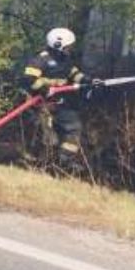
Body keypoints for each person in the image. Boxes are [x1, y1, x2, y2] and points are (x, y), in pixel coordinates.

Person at [21, 28, 102, 169]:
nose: (70, 48)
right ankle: (34, 163)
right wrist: (44, 89)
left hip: (60, 104)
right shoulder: (40, 60)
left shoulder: (65, 60)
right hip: (40, 105)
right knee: (49, 139)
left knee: (74, 129)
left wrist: (89, 80)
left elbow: (74, 74)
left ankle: (64, 161)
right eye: (69, 46)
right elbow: (28, 80)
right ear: (59, 45)